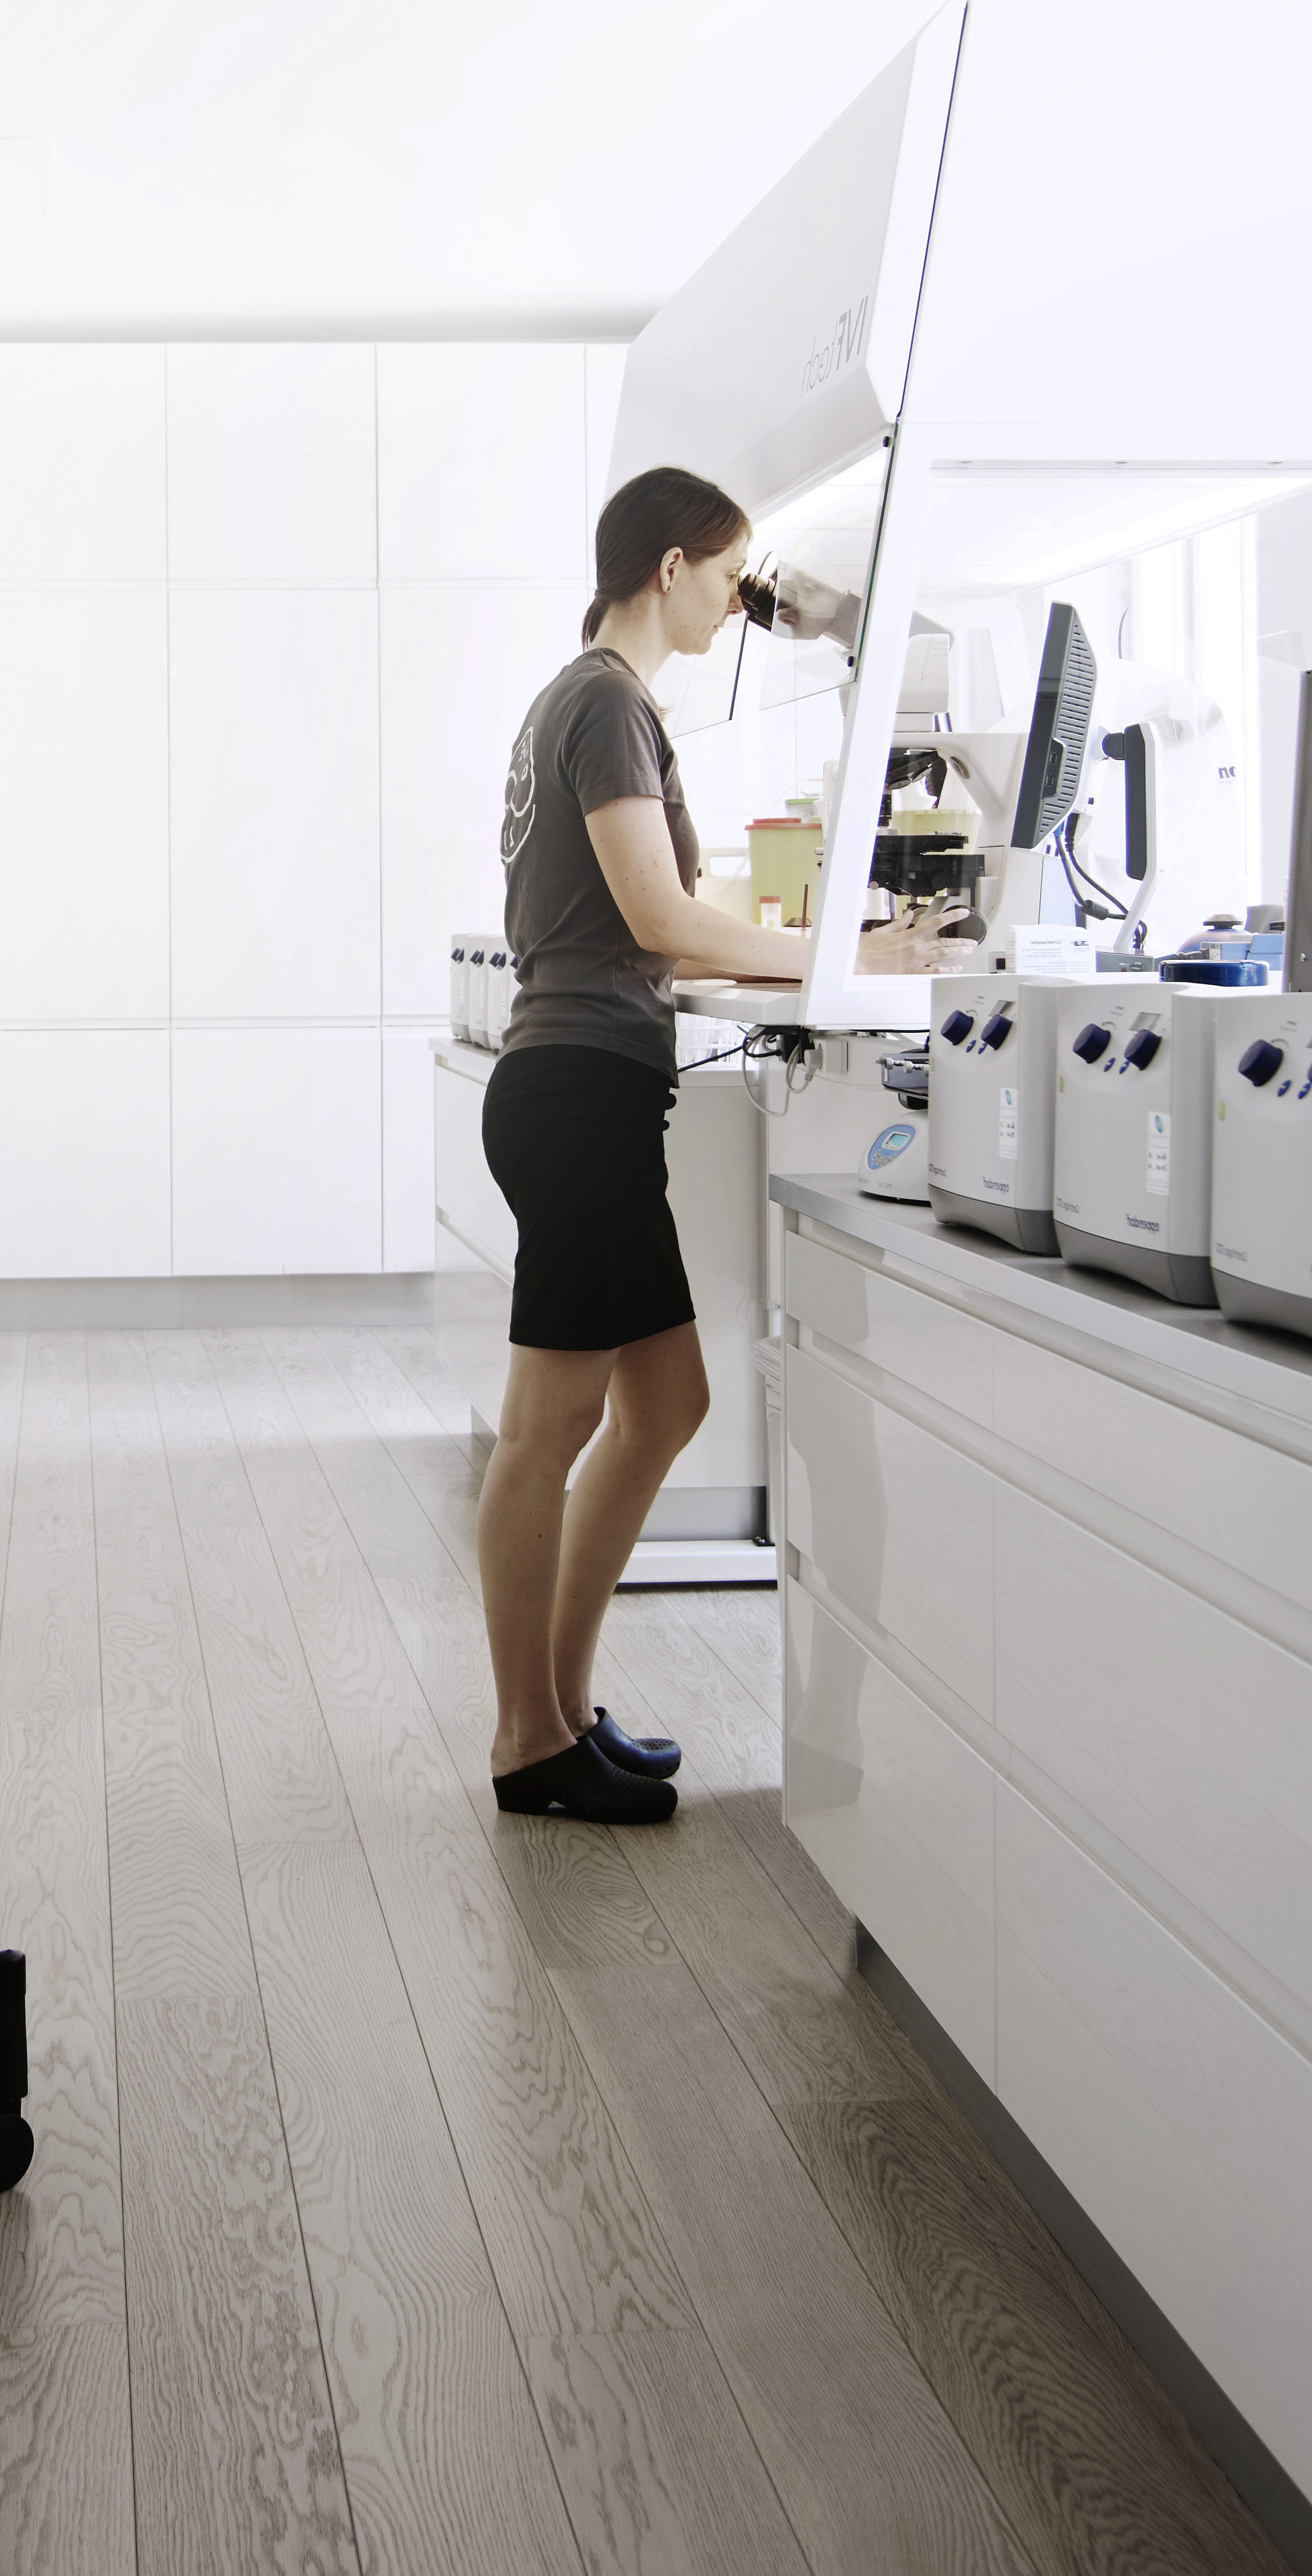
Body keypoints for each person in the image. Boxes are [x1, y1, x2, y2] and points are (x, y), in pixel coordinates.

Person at [475, 464, 961, 1822]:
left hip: (586, 1089)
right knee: (550, 1423)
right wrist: (844, 951)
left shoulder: (586, 700)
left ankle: (565, 1710)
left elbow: (657, 926)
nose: (736, 605)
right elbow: (660, 919)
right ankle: (526, 1741)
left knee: (665, 1404)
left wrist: (818, 952)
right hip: (575, 1095)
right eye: (730, 575)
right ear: (669, 567)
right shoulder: (605, 703)